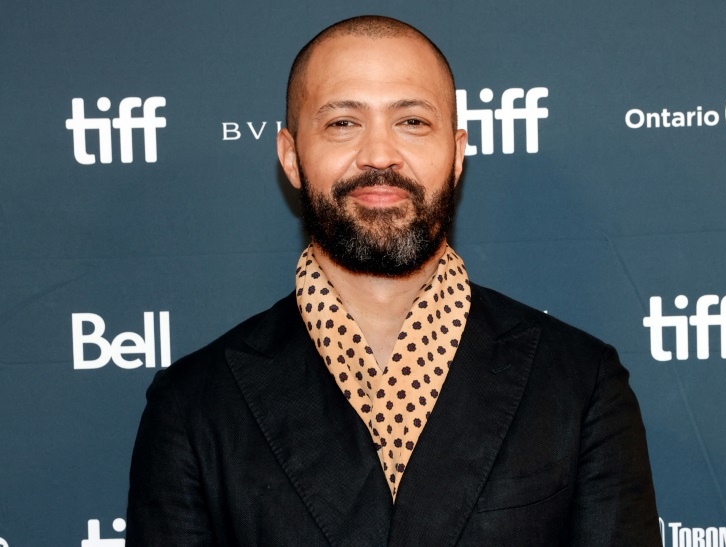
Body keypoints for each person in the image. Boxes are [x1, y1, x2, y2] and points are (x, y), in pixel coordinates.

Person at [126, 15, 661, 546]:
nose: (379, 155)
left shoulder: (579, 384)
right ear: (291, 156)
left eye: (412, 122)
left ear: (457, 154)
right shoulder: (193, 406)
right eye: (343, 123)